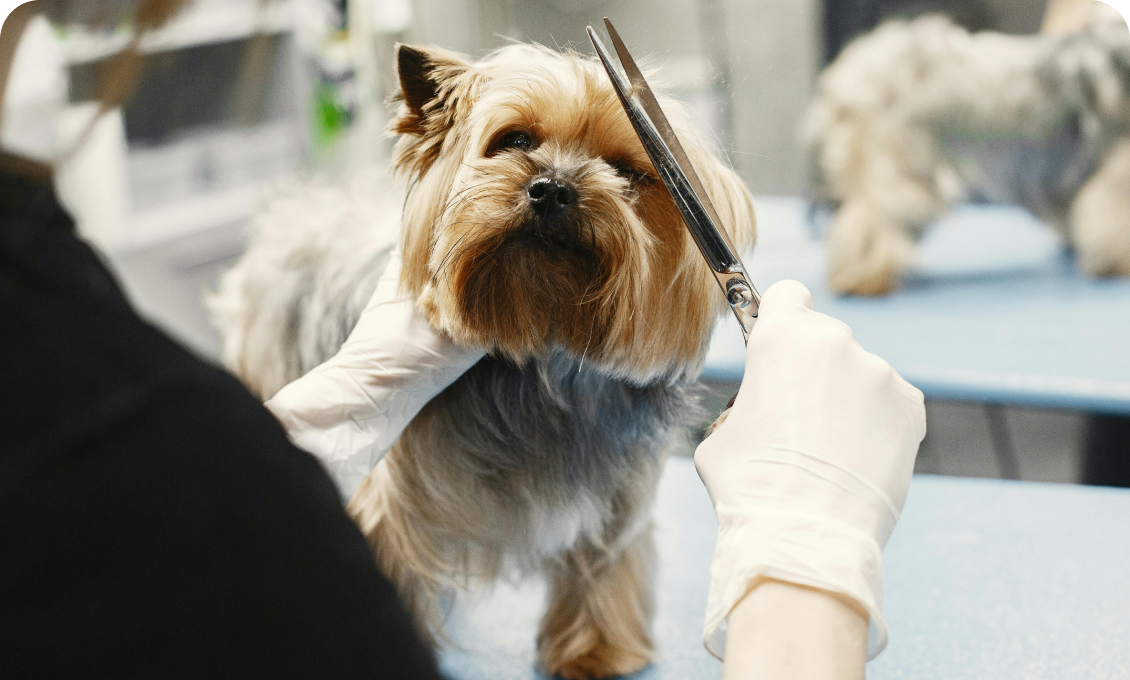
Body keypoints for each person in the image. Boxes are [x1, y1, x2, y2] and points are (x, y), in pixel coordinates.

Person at [0, 1, 926, 678]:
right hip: (302, 297)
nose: (559, 182)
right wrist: (809, 559)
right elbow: (339, 569)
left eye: (621, 167)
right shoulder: (122, 460)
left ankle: (588, 630)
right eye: (518, 140)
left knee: (607, 531)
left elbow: (615, 522)